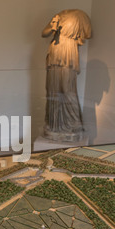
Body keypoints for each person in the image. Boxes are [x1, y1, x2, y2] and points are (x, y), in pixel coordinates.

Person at [41, 9, 92, 142]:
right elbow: (44, 33)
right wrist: (53, 27)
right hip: (54, 52)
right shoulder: (57, 16)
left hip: (68, 52)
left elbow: (88, 33)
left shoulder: (80, 16)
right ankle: (54, 125)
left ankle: (74, 124)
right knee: (52, 90)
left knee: (67, 89)